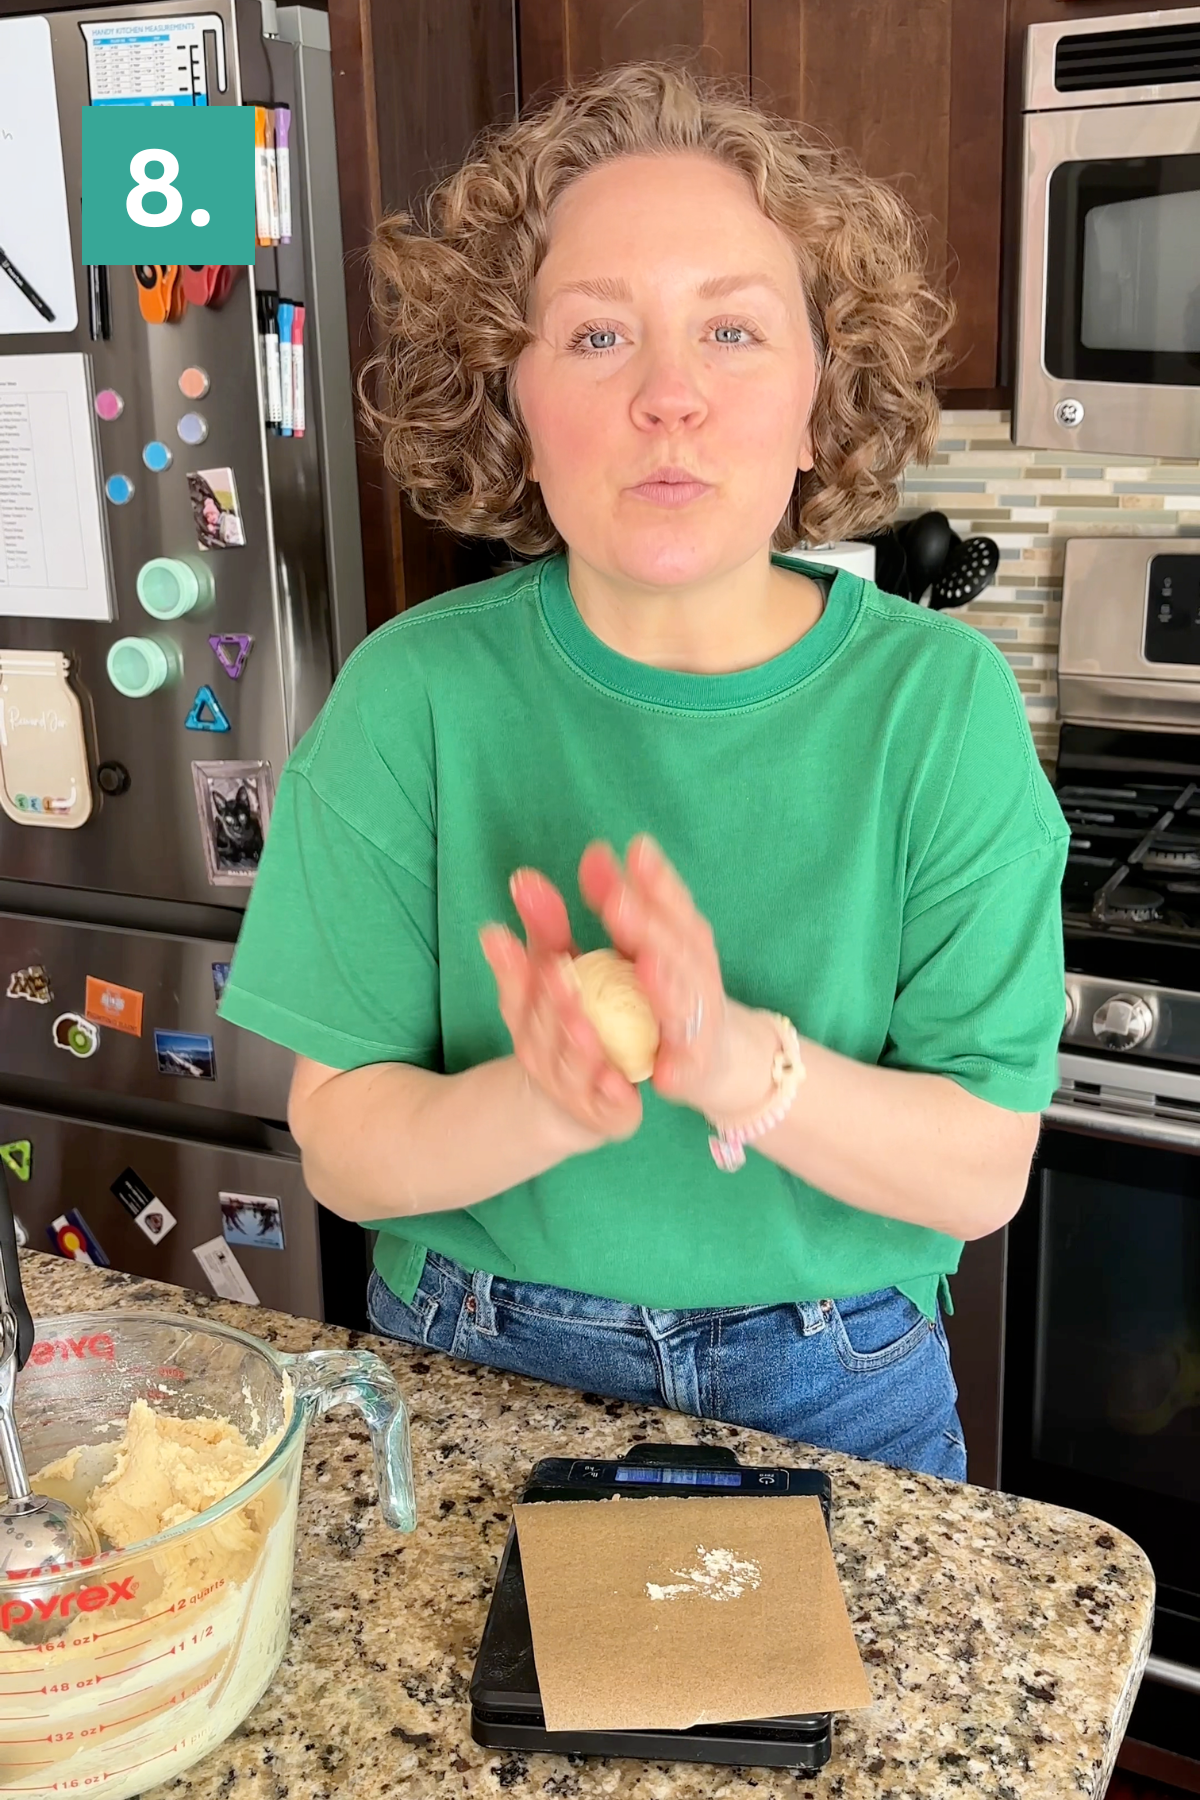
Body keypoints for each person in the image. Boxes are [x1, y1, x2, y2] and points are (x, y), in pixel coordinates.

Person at [218, 64, 1069, 1481]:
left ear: (820, 398)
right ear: (514, 402)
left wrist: (739, 1063)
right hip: (471, 1357)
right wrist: (541, 1099)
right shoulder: (412, 695)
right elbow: (347, 1150)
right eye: (599, 334)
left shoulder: (939, 706)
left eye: (732, 329)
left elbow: (980, 1168)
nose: (669, 396)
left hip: (838, 1377)